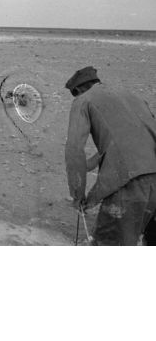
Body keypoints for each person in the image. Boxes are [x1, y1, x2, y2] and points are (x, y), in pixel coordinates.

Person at [64, 66, 156, 246]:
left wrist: (78, 193)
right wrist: (89, 166)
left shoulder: (84, 100)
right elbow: (133, 142)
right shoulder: (131, 96)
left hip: (132, 183)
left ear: (80, 89)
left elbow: (74, 150)